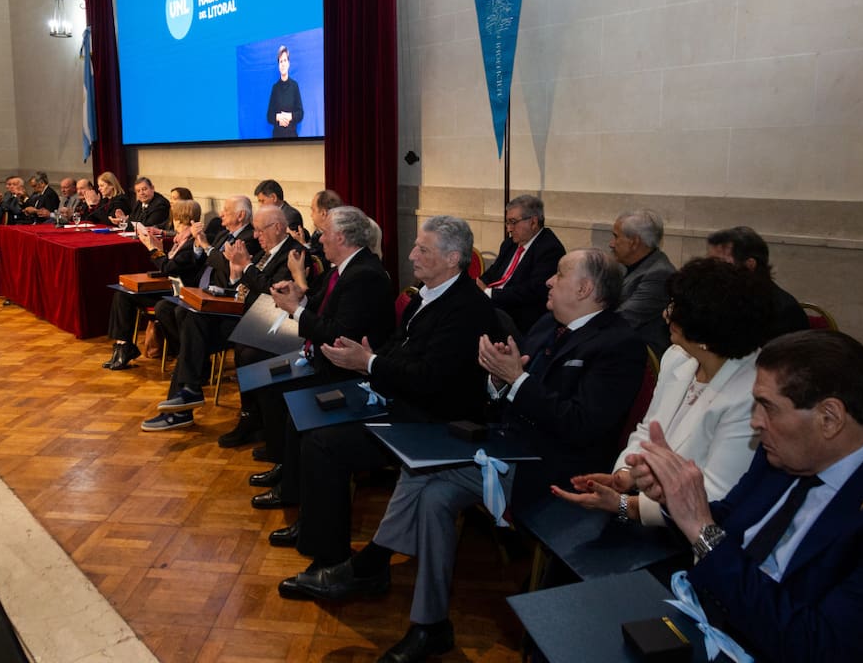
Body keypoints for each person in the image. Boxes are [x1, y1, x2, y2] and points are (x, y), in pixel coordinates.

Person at [278, 248, 647, 663]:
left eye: (559, 274)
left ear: (584, 289)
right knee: (429, 486)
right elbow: (510, 393)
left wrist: (516, 380)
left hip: (554, 470)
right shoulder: (548, 325)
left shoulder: (619, 345)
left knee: (423, 472)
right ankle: (429, 624)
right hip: (506, 448)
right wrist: (498, 381)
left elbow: (581, 425)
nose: (548, 280)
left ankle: (373, 567)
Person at [629, 330, 863, 663]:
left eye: (768, 408)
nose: (755, 422)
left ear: (829, 418)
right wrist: (676, 499)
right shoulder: (790, 449)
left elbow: (822, 647)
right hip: (712, 615)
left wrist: (702, 530)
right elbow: (732, 521)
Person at [268, 216, 500, 570]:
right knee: (311, 421)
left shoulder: (467, 308)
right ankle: (314, 534)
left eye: (422, 249)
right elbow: (397, 346)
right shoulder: (427, 294)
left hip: (434, 422)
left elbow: (430, 379)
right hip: (403, 399)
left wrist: (370, 363)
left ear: (453, 258)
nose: (411, 255)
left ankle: (329, 559)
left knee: (325, 443)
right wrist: (367, 361)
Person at [552, 256, 773, 527]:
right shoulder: (678, 358)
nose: (665, 314)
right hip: (650, 503)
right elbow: (648, 430)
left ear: (705, 331)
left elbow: (714, 496)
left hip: (697, 530)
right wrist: (625, 475)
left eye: (674, 307)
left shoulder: (751, 395)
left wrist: (627, 506)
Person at [221, 206, 395, 457]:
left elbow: (337, 333)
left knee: (270, 380)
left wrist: (296, 309)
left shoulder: (364, 275)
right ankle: (279, 454)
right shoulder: (344, 268)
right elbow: (318, 304)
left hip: (344, 368)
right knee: (257, 370)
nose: (319, 240)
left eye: (324, 233)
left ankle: (284, 462)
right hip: (325, 355)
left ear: (340, 238)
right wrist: (298, 298)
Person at [140, 201, 296, 432]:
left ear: (277, 227)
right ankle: (189, 392)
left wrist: (245, 267)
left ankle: (187, 404)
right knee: (193, 319)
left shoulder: (292, 253)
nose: (256, 235)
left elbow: (272, 292)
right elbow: (240, 283)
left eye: (260, 230)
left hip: (267, 322)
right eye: (255, 230)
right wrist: (236, 275)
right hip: (241, 312)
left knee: (194, 330)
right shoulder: (266, 249)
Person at [102, 198, 208, 370]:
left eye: (174, 217)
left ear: (179, 219)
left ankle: (182, 354)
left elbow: (169, 268)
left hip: (179, 293)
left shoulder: (192, 242)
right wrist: (160, 251)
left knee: (162, 307)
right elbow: (170, 266)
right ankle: (123, 346)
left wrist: (153, 249)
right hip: (169, 288)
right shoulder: (180, 240)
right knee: (123, 294)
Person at [476, 194, 566, 334]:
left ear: (533, 222)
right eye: (507, 223)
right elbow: (493, 273)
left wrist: (488, 293)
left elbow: (533, 291)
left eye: (513, 222)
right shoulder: (509, 244)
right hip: (495, 306)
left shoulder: (549, 249)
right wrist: (477, 285)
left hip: (518, 318)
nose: (509, 229)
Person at [706, 226, 809, 339]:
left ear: (749, 265)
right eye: (709, 263)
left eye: (719, 264)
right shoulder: (721, 297)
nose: (709, 270)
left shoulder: (783, 311)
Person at [610, 208, 675, 355]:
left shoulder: (659, 274)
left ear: (634, 242)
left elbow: (624, 318)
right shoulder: (625, 265)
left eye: (616, 237)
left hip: (639, 355)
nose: (611, 244)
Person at [265, 45, 303, 138]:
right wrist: (278, 117)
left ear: (288, 63)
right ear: (278, 66)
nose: (283, 64)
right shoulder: (275, 88)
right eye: (281, 61)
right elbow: (269, 116)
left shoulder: (294, 86)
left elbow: (300, 113)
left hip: (292, 137)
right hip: (277, 138)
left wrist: (289, 116)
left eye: (285, 60)